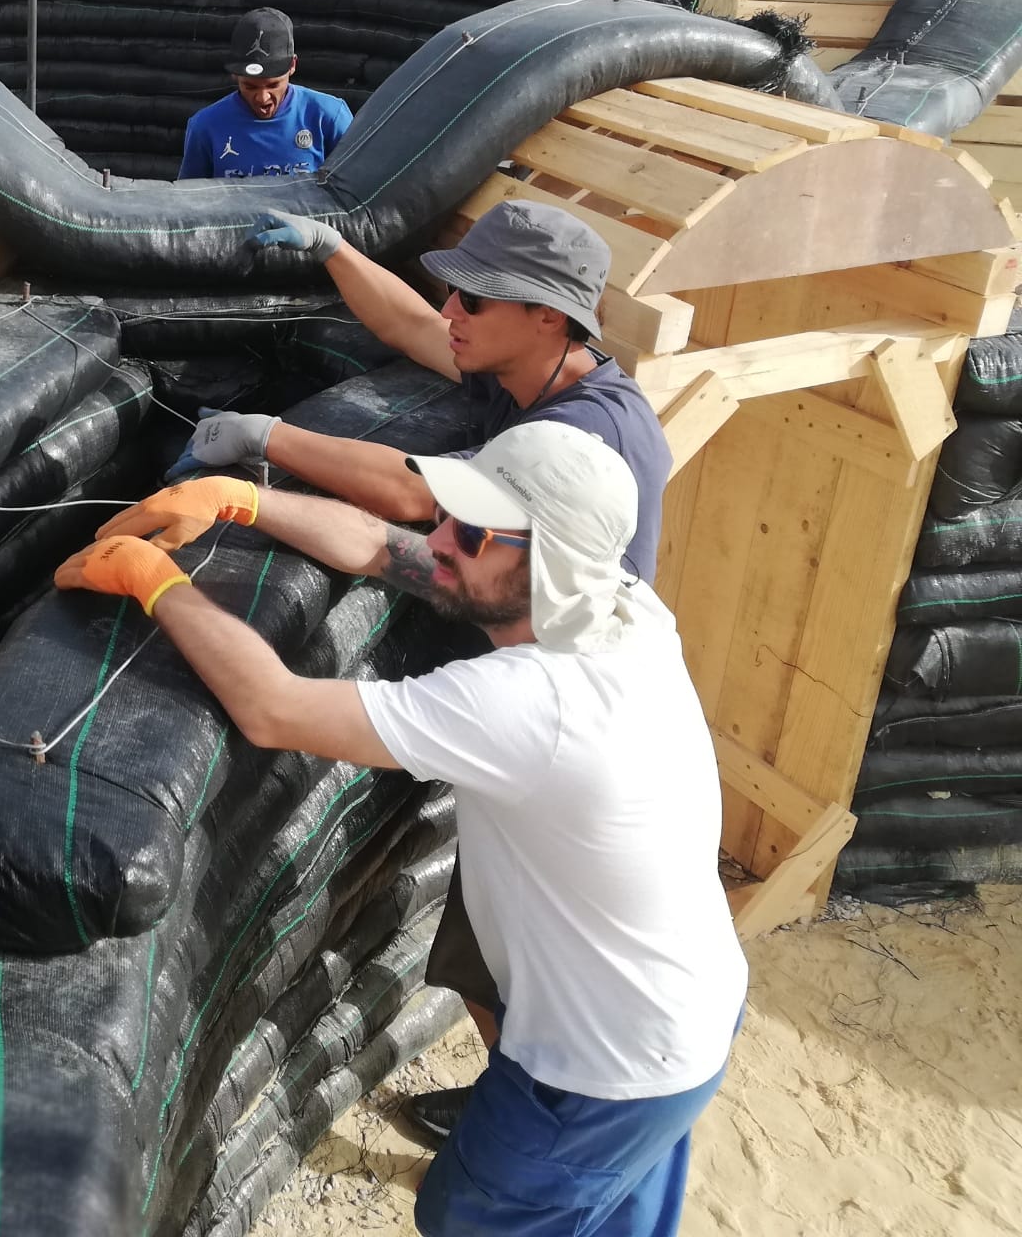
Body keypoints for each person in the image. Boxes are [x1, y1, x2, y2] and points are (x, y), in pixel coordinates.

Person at [55, 421, 746, 1237]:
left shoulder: (534, 703)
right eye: (452, 514)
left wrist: (156, 582)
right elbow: (389, 549)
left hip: (603, 1072)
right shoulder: (621, 608)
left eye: (475, 531)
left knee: (466, 1216)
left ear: (547, 561)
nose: (441, 539)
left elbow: (274, 708)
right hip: (684, 1012)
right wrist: (242, 500)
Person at [176, 196, 673, 1147]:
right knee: (489, 949)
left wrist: (260, 446)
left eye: (474, 302)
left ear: (547, 318)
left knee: (521, 969)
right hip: (553, 747)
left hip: (548, 753)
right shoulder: (529, 369)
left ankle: (532, 1125)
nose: (452, 314)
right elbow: (413, 328)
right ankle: (517, 1094)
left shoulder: (582, 441)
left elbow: (404, 503)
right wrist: (333, 252)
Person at [180, 7, 353, 179]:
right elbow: (189, 199)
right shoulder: (205, 127)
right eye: (250, 86)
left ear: (292, 65)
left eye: (273, 85)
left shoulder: (329, 117)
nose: (263, 98)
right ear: (234, 74)